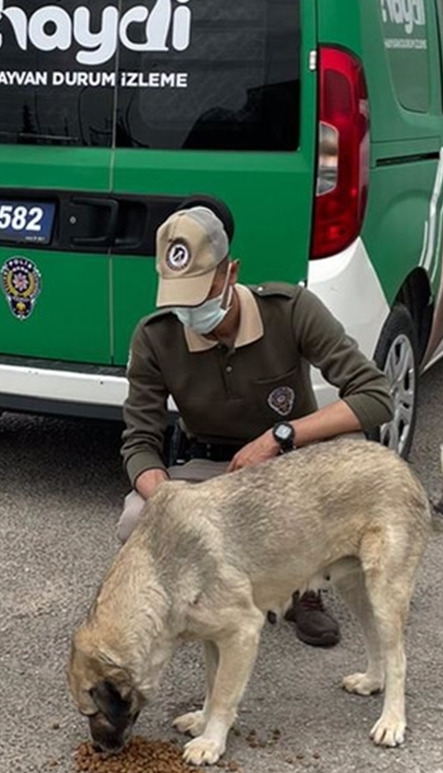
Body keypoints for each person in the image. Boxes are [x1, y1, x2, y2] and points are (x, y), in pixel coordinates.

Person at [118, 204, 393, 648]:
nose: (189, 310)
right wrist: (166, 497)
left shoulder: (290, 309)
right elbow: (139, 441)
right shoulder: (154, 336)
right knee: (136, 517)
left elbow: (374, 395)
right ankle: (208, 597)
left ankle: (307, 590)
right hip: (212, 466)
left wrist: (279, 437)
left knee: (351, 448)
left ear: (231, 274)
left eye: (201, 292)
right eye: (178, 296)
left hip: (291, 460)